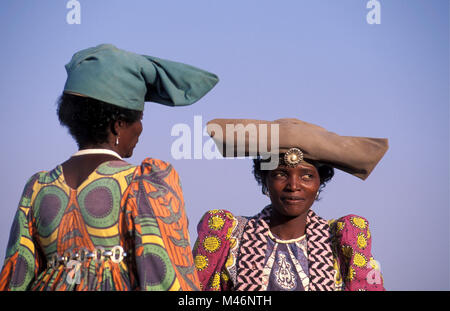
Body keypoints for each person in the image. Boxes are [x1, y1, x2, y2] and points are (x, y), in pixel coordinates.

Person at [0, 44, 218, 291]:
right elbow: (165, 276)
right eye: (140, 119)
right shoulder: (144, 183)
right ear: (118, 125)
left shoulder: (38, 188)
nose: (141, 129)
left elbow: (15, 277)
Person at [193, 118, 388, 291]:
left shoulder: (343, 239)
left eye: (307, 176)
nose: (294, 186)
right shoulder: (226, 233)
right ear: (265, 180)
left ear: (319, 182)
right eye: (280, 174)